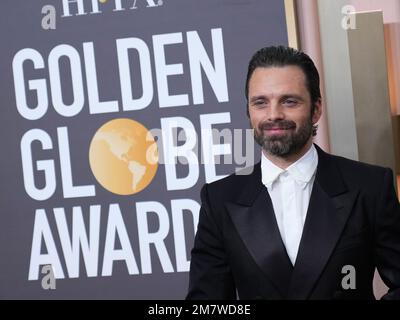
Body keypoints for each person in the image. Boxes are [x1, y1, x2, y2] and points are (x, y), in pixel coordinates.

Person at [186, 46, 400, 300]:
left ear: (316, 109)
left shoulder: (369, 186)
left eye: (289, 101)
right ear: (248, 111)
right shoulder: (219, 200)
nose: (274, 115)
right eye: (261, 103)